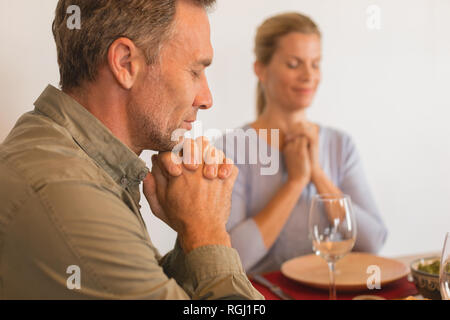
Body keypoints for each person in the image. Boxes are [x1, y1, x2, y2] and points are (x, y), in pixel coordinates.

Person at [0, 0, 263, 300]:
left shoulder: (66, 152)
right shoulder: (69, 192)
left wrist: (193, 230)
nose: (206, 98)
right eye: (194, 71)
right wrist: (208, 233)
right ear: (125, 63)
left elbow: (144, 282)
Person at [220, 12, 388, 274]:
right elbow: (231, 259)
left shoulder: (340, 145)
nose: (308, 75)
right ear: (260, 69)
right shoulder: (233, 149)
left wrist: (317, 174)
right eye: (294, 64)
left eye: (315, 64)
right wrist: (296, 182)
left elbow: (373, 241)